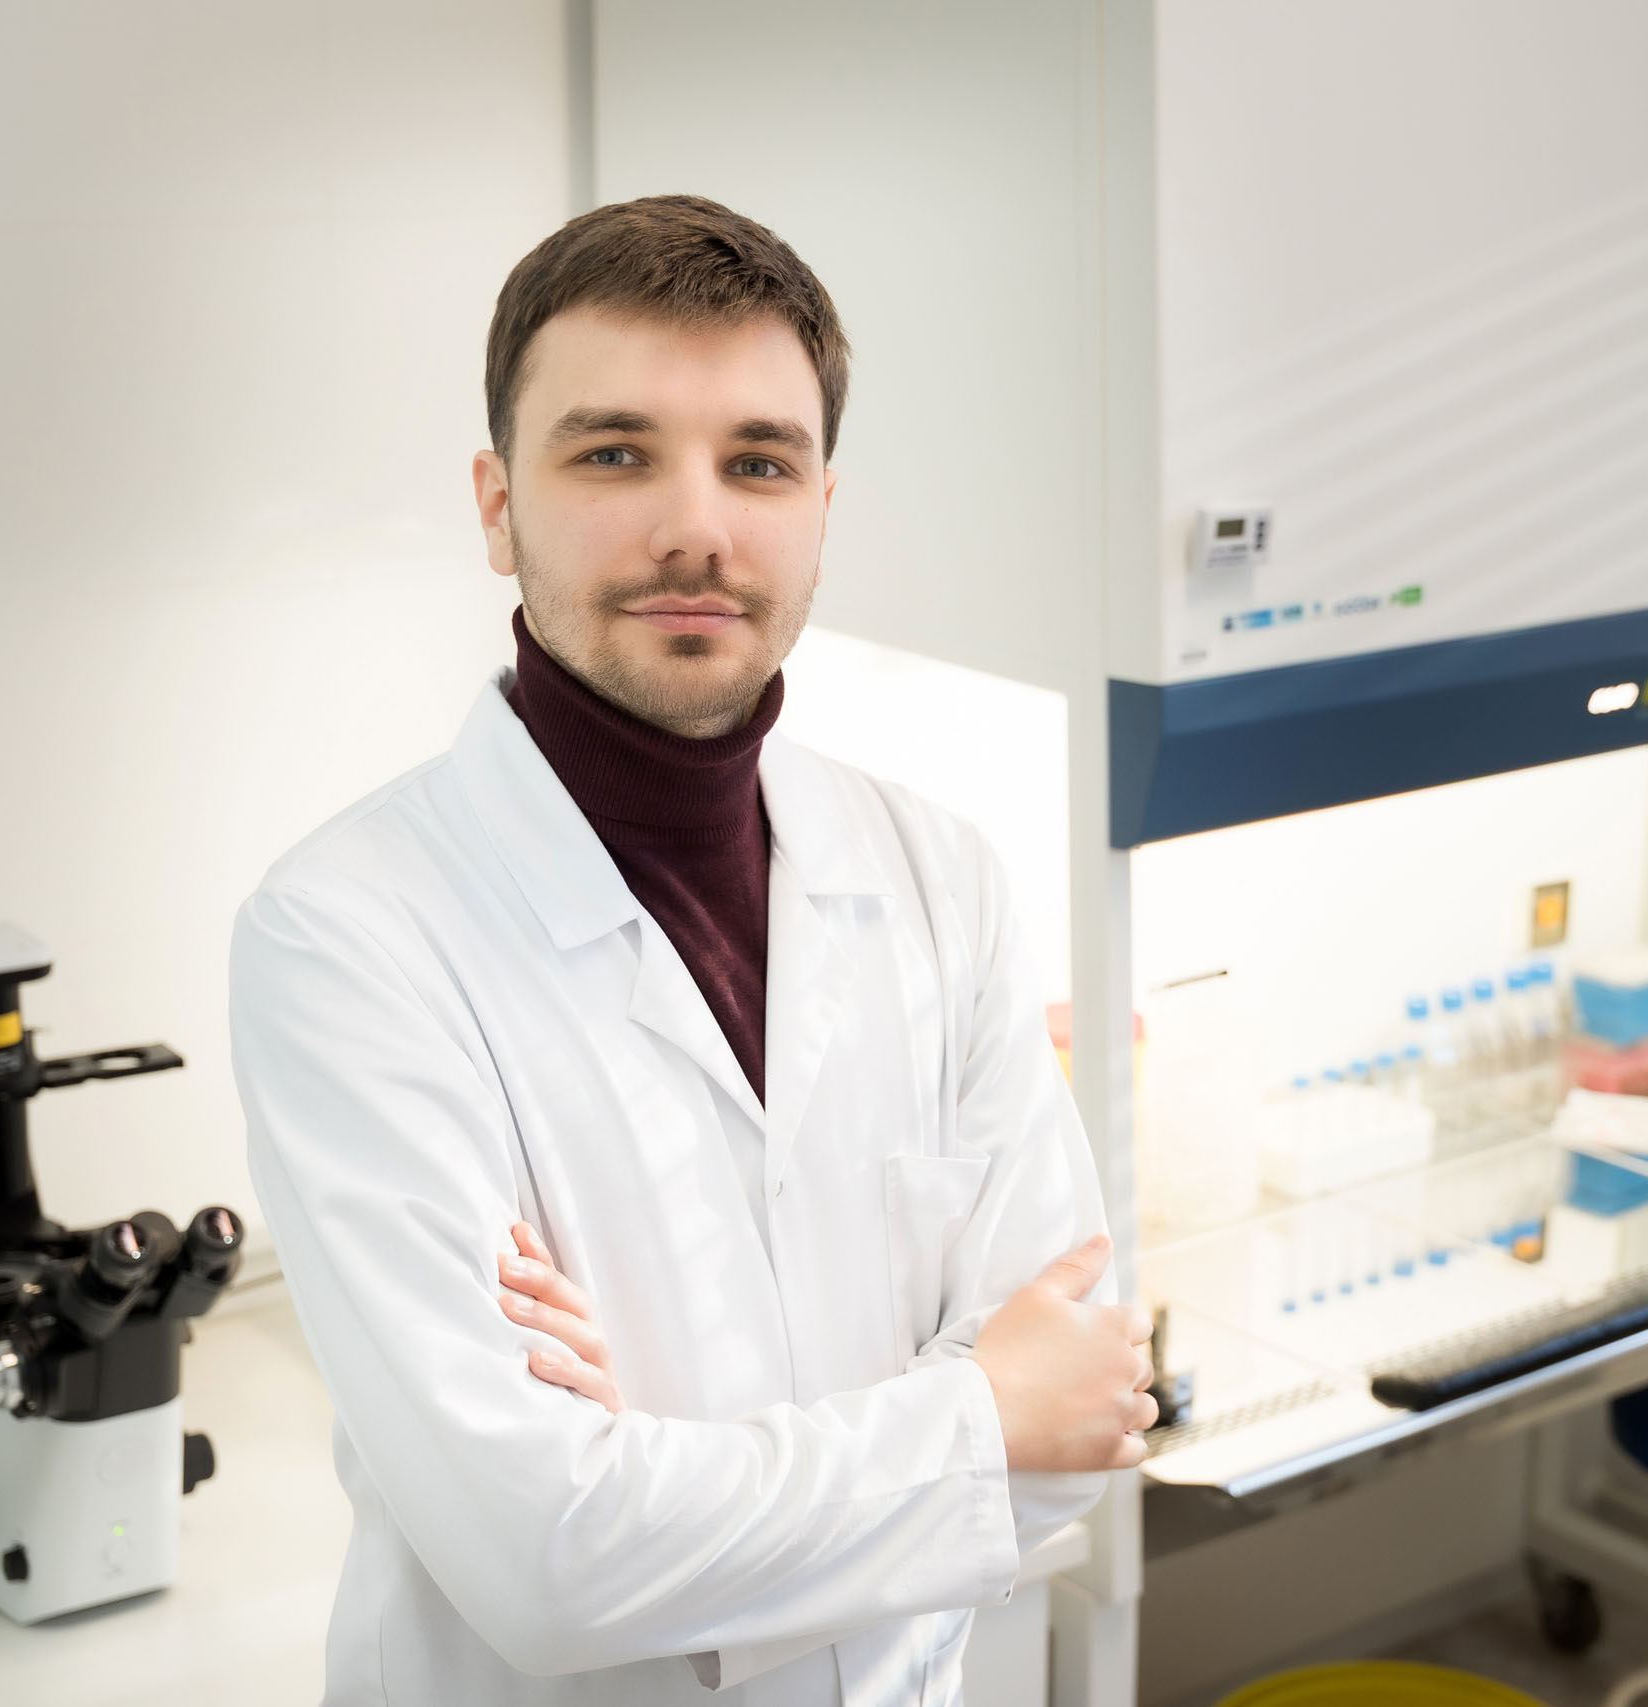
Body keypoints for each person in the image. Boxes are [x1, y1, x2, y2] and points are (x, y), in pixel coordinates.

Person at [229, 194, 1154, 1707]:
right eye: (613, 453)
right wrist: (980, 1421)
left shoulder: (941, 880)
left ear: (821, 508)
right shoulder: (347, 940)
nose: (696, 528)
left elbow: (1082, 1437)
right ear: (494, 502)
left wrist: (669, 1497)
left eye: (759, 463)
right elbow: (546, 1563)